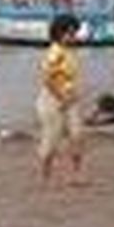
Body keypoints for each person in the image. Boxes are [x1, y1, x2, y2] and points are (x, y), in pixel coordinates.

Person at [36, 14, 84, 185]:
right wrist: (61, 98)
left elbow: (72, 78)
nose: (73, 37)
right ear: (58, 33)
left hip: (71, 100)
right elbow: (47, 79)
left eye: (74, 33)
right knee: (51, 139)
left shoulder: (70, 51)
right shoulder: (54, 53)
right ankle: (45, 176)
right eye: (70, 33)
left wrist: (73, 95)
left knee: (77, 135)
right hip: (52, 100)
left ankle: (76, 175)